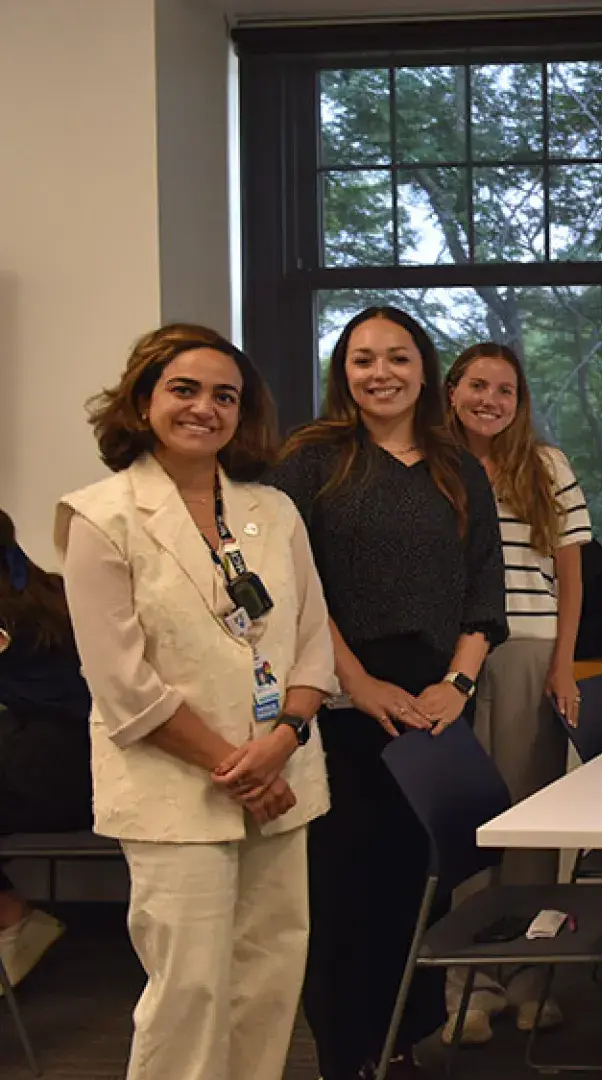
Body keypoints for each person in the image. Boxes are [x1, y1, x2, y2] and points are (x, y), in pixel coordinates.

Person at [56, 324, 333, 1080]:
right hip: (177, 790)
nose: (204, 408)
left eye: (225, 396)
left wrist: (282, 741)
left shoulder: (273, 511)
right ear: (144, 400)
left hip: (282, 776)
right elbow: (123, 684)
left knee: (269, 977)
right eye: (184, 390)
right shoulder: (101, 516)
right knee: (190, 988)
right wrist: (241, 768)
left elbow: (312, 641)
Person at [271, 307, 507, 1080]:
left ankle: (403, 1046)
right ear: (343, 371)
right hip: (341, 706)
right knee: (345, 890)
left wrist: (458, 685)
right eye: (364, 358)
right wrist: (357, 681)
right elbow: (297, 589)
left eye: (398, 357)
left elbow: (485, 588)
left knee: (418, 887)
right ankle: (347, 1058)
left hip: (434, 708)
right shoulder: (311, 460)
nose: (382, 373)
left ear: (423, 369)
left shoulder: (456, 465)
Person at [441, 341, 592, 1041]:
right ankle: (468, 989)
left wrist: (564, 664)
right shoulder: (430, 467)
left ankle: (533, 977)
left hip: (531, 653)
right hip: (451, 662)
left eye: (505, 390)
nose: (490, 401)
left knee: (530, 824)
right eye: (477, 385)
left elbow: (572, 578)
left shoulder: (546, 466)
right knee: (467, 825)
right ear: (452, 391)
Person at [0, 508, 93, 988]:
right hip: (95, 776)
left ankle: (12, 918)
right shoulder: (54, 592)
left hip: (44, 777)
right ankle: (14, 920)